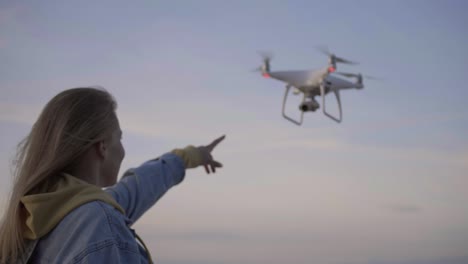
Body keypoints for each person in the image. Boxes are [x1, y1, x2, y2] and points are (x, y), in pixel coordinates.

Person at [0, 87, 225, 263]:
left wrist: (190, 156)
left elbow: (137, 188)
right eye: (120, 138)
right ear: (103, 147)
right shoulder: (99, 223)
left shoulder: (41, 214)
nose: (123, 150)